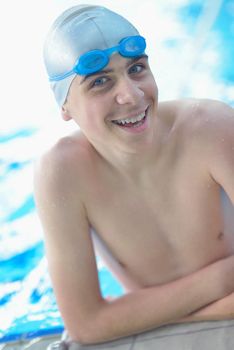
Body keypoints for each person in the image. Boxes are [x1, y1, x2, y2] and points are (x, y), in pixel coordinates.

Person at [33, 4, 234, 349]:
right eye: (100, 82)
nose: (132, 95)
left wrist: (124, 317)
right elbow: (85, 325)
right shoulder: (61, 173)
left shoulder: (211, 128)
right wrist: (223, 280)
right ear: (64, 106)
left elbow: (98, 322)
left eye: (137, 68)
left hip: (150, 319)